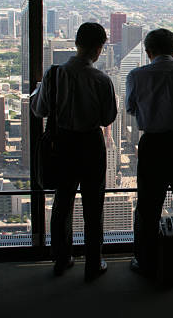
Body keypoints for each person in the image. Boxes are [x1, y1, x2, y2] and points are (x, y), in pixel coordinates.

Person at [31, 22, 117, 281]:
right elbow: (108, 117)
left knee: (62, 201)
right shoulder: (101, 79)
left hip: (62, 143)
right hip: (90, 144)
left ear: (76, 43)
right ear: (100, 48)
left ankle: (61, 258)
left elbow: (40, 110)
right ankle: (93, 262)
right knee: (93, 204)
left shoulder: (54, 74)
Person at [126, 28, 173, 278]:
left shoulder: (137, 75)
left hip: (154, 144)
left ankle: (145, 261)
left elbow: (130, 108)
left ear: (148, 53)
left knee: (148, 207)